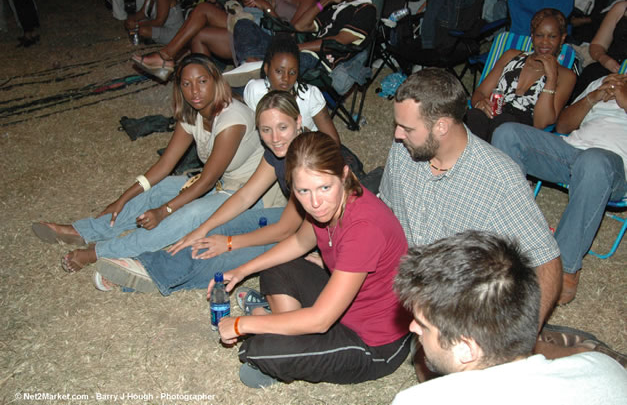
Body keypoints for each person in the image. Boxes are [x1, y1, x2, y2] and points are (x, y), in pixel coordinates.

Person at [378, 68, 572, 380]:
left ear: (441, 126)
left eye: (406, 127)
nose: (397, 134)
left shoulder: (498, 178)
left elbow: (547, 261)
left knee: (438, 377)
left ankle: (560, 353)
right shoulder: (403, 152)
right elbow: (386, 214)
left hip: (461, 308)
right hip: (414, 297)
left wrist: (520, 347)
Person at [211, 132, 411, 388]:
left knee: (260, 351)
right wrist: (241, 271)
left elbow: (321, 320)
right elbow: (298, 242)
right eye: (303, 190)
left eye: (324, 187)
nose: (315, 203)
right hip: (341, 307)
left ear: (345, 175)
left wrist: (241, 324)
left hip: (376, 342)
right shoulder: (326, 207)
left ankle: (279, 330)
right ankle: (287, 330)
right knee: (273, 265)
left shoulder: (364, 227)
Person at [31, 54, 263, 274]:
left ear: (216, 81)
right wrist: (123, 197)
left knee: (186, 215)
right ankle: (83, 231)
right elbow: (165, 164)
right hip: (215, 183)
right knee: (162, 187)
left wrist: (165, 210)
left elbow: (207, 180)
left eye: (202, 81)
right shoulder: (194, 113)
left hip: (245, 194)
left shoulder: (232, 119)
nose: (195, 91)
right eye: (186, 84)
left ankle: (98, 252)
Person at [91, 91, 305, 294]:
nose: (275, 138)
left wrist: (229, 242)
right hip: (288, 216)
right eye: (266, 130)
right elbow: (245, 196)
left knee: (233, 252)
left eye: (282, 127)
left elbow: (285, 230)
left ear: (299, 121)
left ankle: (149, 272)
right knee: (217, 229)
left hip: (314, 235)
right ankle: (151, 268)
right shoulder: (276, 153)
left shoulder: (309, 159)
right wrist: (203, 229)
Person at [391, 230, 627, 405]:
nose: (412, 327)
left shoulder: (418, 400)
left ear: (466, 348)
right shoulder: (607, 370)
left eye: (424, 325)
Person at [492, 73, 627, 305]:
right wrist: (592, 98)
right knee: (507, 133)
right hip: (571, 151)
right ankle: (510, 236)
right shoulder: (604, 80)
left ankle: (564, 266)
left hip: (614, 168)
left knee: (593, 161)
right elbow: (564, 125)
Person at [132, 0, 318, 81]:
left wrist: (267, 7)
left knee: (204, 9)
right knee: (199, 34)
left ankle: (165, 57)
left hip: (266, 37)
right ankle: (208, 87)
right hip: (249, 23)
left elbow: (290, 36)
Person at [466, 8, 576, 142]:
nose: (544, 42)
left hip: (518, 132)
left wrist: (551, 78)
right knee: (474, 116)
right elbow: (481, 92)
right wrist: (480, 103)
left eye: (552, 36)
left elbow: (541, 123)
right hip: (493, 115)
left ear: (562, 38)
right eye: (539, 35)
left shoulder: (566, 76)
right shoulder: (511, 56)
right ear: (532, 35)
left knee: (504, 123)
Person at [232, 0, 377, 73]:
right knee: (243, 24)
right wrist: (327, 0)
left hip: (316, 59)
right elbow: (301, 26)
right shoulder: (338, 7)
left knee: (273, 67)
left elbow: (339, 41)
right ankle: (251, 63)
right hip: (297, 48)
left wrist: (297, 48)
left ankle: (253, 66)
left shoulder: (366, 10)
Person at [243, 34, 340, 143]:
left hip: (305, 148)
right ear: (266, 68)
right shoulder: (255, 90)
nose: (286, 78)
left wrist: (304, 135)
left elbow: (333, 141)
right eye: (279, 71)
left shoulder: (309, 96)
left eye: (292, 72)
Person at [572, 0, 627, 99]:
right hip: (610, 67)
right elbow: (597, 45)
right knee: (591, 74)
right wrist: (605, 60)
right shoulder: (621, 8)